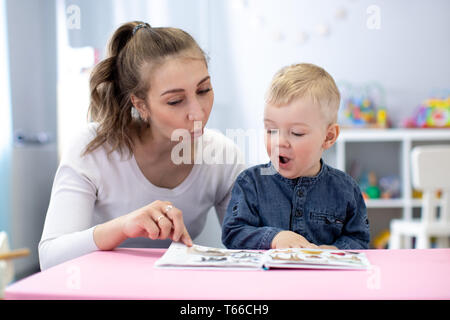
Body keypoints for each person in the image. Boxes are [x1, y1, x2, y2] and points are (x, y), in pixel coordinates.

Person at [39, 21, 245, 270]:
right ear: (140, 105)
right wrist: (123, 226)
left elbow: (244, 250)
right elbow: (50, 257)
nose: (198, 112)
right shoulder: (93, 149)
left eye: (204, 90)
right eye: (176, 101)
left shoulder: (222, 156)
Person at [222, 63, 370, 250]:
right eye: (271, 130)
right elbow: (233, 233)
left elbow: (359, 239)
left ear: (328, 136)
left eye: (297, 133)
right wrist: (274, 238)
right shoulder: (250, 183)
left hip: (324, 278)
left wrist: (336, 250)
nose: (279, 142)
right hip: (266, 278)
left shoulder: (346, 189)